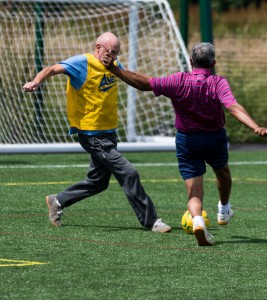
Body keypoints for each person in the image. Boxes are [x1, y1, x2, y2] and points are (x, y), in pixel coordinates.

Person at [103, 42, 267, 246]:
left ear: (190, 61)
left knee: (194, 193)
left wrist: (114, 69)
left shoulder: (177, 80)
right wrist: (255, 126)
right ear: (213, 63)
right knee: (223, 172)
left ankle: (197, 221)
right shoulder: (218, 83)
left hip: (187, 140)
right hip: (214, 139)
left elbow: (144, 83)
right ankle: (224, 210)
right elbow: (233, 106)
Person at [22, 32, 171, 233]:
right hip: (92, 135)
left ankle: (57, 201)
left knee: (98, 182)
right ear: (98, 47)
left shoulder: (114, 66)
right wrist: (36, 81)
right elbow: (52, 68)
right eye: (111, 51)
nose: (114, 56)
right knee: (129, 173)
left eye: (117, 53)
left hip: (109, 133)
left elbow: (130, 78)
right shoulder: (82, 62)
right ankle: (151, 221)